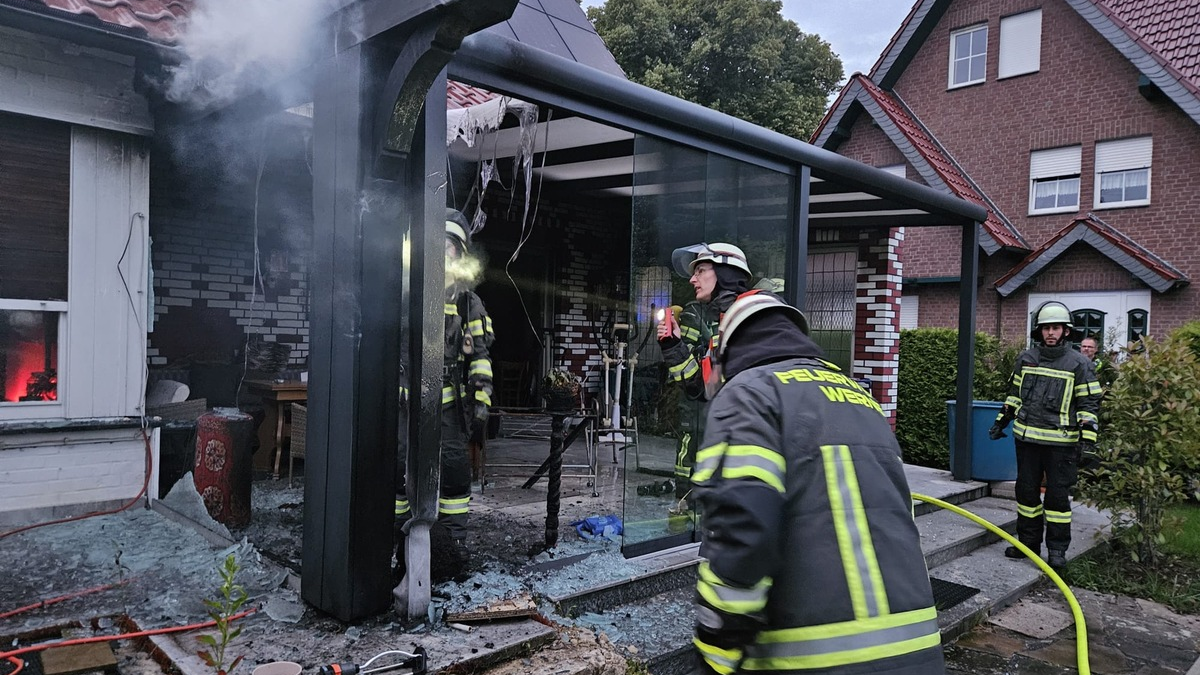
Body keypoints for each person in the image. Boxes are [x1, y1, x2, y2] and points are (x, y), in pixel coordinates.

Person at [689, 291, 944, 675]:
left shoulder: (750, 392)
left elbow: (742, 529)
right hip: (919, 650)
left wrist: (715, 651)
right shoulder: (861, 399)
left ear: (730, 347)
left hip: (815, 660)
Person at [394, 208, 494, 578]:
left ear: (459, 253)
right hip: (406, 408)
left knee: (454, 479)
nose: (443, 253)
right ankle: (399, 551)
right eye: (438, 245)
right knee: (400, 478)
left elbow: (481, 358)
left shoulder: (469, 302)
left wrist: (481, 404)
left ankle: (453, 552)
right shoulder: (404, 293)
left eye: (451, 247)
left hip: (450, 412)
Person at [989, 301, 1101, 570]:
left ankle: (1057, 550)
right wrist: (1000, 422)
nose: (1051, 332)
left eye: (1056, 328)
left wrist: (1089, 443)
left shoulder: (1079, 364)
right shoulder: (1026, 359)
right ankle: (1027, 545)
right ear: (1039, 332)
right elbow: (1015, 396)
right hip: (1027, 441)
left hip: (1061, 444)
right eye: (1046, 328)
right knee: (1026, 493)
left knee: (1057, 499)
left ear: (1065, 331)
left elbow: (1089, 405)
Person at [657, 243, 752, 501]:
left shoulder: (748, 319)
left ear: (724, 273)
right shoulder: (723, 320)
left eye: (700, 271)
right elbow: (704, 389)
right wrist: (673, 343)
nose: (692, 279)